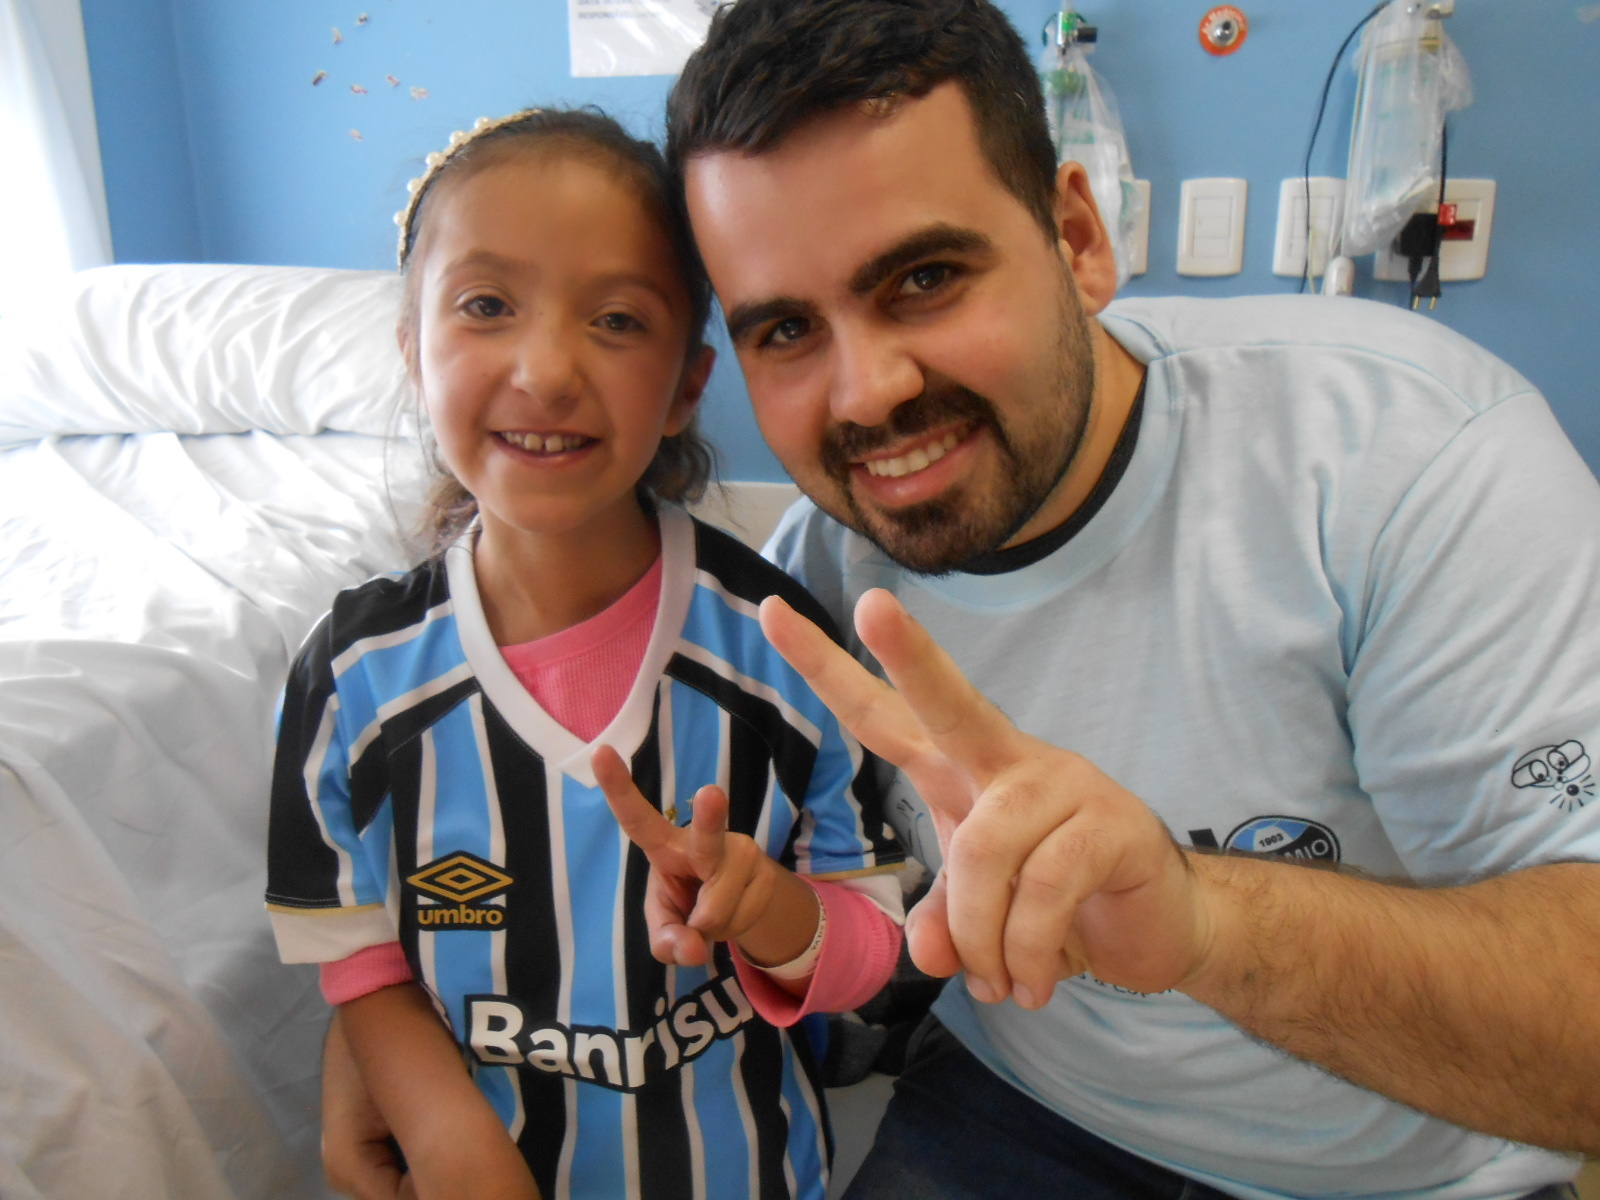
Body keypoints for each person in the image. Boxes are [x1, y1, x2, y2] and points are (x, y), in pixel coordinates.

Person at [660, 0, 1600, 1197]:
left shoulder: (1404, 464)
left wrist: (1201, 927)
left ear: (1076, 236)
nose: (865, 394)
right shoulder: (819, 578)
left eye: (926, 278)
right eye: (786, 329)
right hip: (1015, 1113)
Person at [265, 107, 904, 1200]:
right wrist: (447, 1138)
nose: (547, 368)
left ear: (686, 387)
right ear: (413, 348)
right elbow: (358, 952)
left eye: (615, 320)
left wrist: (774, 915)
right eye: (485, 306)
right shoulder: (354, 679)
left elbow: (873, 946)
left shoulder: (780, 652)